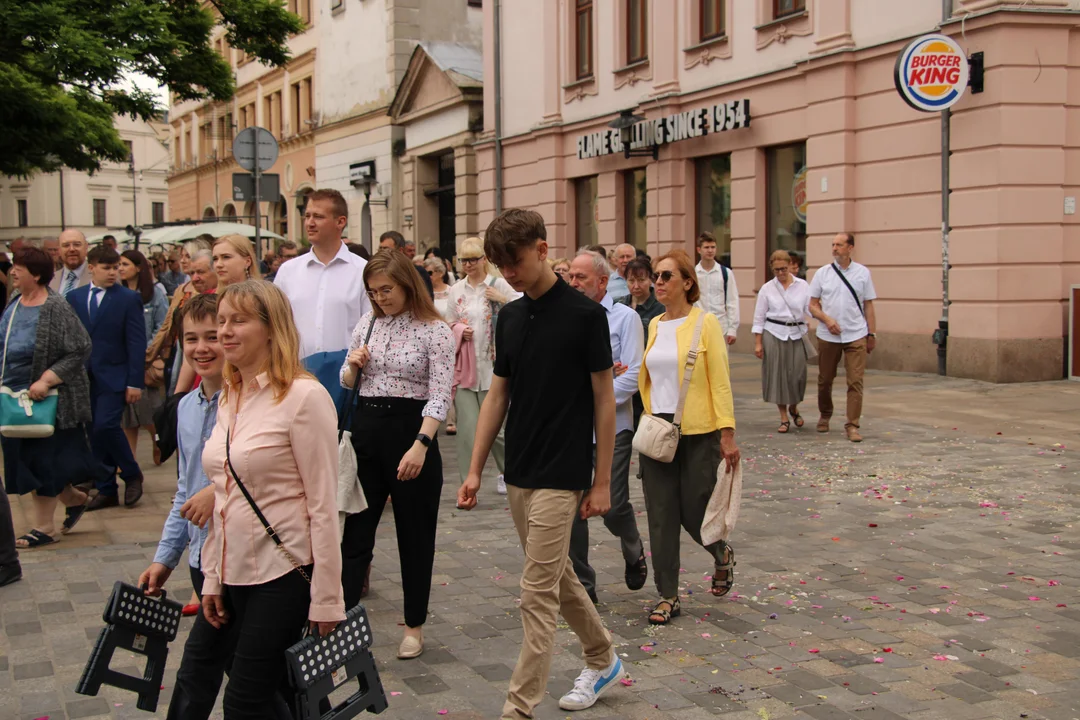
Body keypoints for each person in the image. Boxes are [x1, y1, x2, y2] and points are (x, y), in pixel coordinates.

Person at [457, 209, 625, 717]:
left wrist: (601, 483)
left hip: (564, 469)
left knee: (536, 592)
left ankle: (519, 706)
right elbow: (497, 396)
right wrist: (473, 468)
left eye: (517, 261)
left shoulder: (584, 315)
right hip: (520, 469)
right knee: (558, 576)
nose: (509, 272)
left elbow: (603, 398)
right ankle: (603, 655)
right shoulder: (508, 316)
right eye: (500, 264)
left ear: (543, 249)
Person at [200, 280, 345, 720]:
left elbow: (324, 503)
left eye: (238, 321)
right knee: (275, 693)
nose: (224, 331)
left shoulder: (303, 396)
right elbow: (225, 496)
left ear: (270, 328)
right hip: (233, 569)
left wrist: (327, 596)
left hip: (284, 571)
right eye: (221, 320)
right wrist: (211, 577)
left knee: (244, 698)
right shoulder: (230, 394)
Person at [339, 251, 454, 658]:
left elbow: (440, 393)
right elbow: (347, 381)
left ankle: (414, 625)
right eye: (373, 292)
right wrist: (352, 365)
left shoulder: (434, 330)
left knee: (415, 536)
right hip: (367, 431)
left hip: (412, 432)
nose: (381, 298)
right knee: (355, 533)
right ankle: (341, 622)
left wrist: (421, 445)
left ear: (407, 283)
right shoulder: (368, 323)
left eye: (387, 289)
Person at [137, 294, 237, 720]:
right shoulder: (187, 409)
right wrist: (165, 558)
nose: (202, 348)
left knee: (203, 671)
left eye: (213, 337)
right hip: (202, 558)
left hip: (241, 559)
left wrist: (218, 490)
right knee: (240, 673)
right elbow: (184, 491)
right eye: (192, 338)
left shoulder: (248, 402)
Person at [638, 250, 740, 624]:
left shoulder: (705, 323)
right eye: (656, 276)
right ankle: (668, 596)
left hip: (699, 431)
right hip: (657, 431)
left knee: (698, 510)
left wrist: (726, 435)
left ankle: (720, 552)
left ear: (687, 282)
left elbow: (720, 383)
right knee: (661, 516)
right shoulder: (653, 324)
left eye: (666, 276)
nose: (658, 282)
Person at [0, 247, 96, 550]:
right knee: (23, 461)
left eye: (19, 267)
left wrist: (46, 379)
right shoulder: (14, 305)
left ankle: (44, 527)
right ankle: (76, 499)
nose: (13, 271)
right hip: (13, 399)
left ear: (37, 275)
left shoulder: (56, 306)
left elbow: (80, 347)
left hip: (49, 400)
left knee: (40, 462)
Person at [566, 250, 646, 603]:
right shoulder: (566, 317)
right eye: (570, 276)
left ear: (602, 281)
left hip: (615, 425)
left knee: (612, 505)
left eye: (580, 277)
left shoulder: (625, 318)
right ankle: (585, 585)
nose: (572, 283)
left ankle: (633, 547)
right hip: (575, 428)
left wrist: (592, 395)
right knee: (573, 508)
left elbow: (632, 375)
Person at [274, 189, 371, 410]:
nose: (310, 222)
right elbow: (276, 326)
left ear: (340, 221)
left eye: (318, 216)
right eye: (307, 216)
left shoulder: (362, 271)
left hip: (347, 383)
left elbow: (371, 331)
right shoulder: (288, 272)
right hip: (296, 379)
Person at [67, 246, 146, 510]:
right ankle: (106, 488)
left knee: (105, 426)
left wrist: (134, 381)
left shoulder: (127, 298)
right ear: (92, 267)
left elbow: (136, 342)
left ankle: (132, 473)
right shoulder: (74, 298)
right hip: (84, 378)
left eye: (116, 268)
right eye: (107, 267)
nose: (113, 272)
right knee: (94, 432)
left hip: (115, 376)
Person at [444, 236, 520, 495]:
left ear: (484, 260)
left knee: (496, 428)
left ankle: (509, 473)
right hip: (466, 369)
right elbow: (448, 323)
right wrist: (458, 329)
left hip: (494, 368)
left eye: (472, 259)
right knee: (467, 429)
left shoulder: (499, 284)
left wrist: (501, 298)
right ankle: (467, 483)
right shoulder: (456, 290)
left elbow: (524, 309)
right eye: (463, 260)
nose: (467, 265)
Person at [809, 232, 877, 443]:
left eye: (839, 245)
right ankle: (825, 414)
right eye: (833, 245)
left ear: (850, 248)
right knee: (825, 379)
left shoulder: (862, 273)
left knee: (855, 381)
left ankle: (852, 424)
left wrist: (871, 333)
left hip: (856, 333)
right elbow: (812, 305)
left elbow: (868, 305)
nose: (835, 248)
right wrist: (826, 319)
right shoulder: (823, 273)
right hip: (828, 335)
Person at [752, 250, 811, 433]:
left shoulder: (802, 286)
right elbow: (759, 317)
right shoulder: (767, 288)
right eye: (776, 270)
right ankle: (784, 416)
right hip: (774, 332)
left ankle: (794, 406)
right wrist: (758, 342)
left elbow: (811, 308)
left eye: (783, 269)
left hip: (796, 332)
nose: (780, 273)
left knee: (798, 376)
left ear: (790, 266)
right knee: (778, 376)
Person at [119, 250, 169, 459]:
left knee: (149, 412)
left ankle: (157, 440)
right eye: (118, 265)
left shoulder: (155, 292)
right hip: (124, 360)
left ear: (138, 267)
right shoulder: (116, 292)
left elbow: (162, 325)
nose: (120, 268)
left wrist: (144, 350)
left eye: (125, 264)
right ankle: (129, 460)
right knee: (127, 414)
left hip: (147, 360)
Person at [618, 257, 664, 430]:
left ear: (651, 279)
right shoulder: (619, 304)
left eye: (641, 280)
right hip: (623, 374)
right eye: (631, 280)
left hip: (649, 375)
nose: (636, 286)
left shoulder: (660, 308)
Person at [694, 232, 739, 345]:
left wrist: (732, 329)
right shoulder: (693, 274)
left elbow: (732, 301)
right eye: (706, 247)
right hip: (698, 328)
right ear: (699, 250)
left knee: (720, 362)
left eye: (713, 247)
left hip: (721, 328)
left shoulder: (726, 273)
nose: (710, 250)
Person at [379, 231, 433, 296]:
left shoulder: (417, 272)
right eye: (380, 249)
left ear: (400, 250)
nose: (381, 252)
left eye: (385, 249)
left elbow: (427, 299)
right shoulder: (378, 272)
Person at [49, 229, 91, 296]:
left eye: (77, 244)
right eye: (66, 245)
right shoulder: (50, 279)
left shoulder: (99, 277)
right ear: (59, 250)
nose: (71, 249)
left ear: (86, 247)